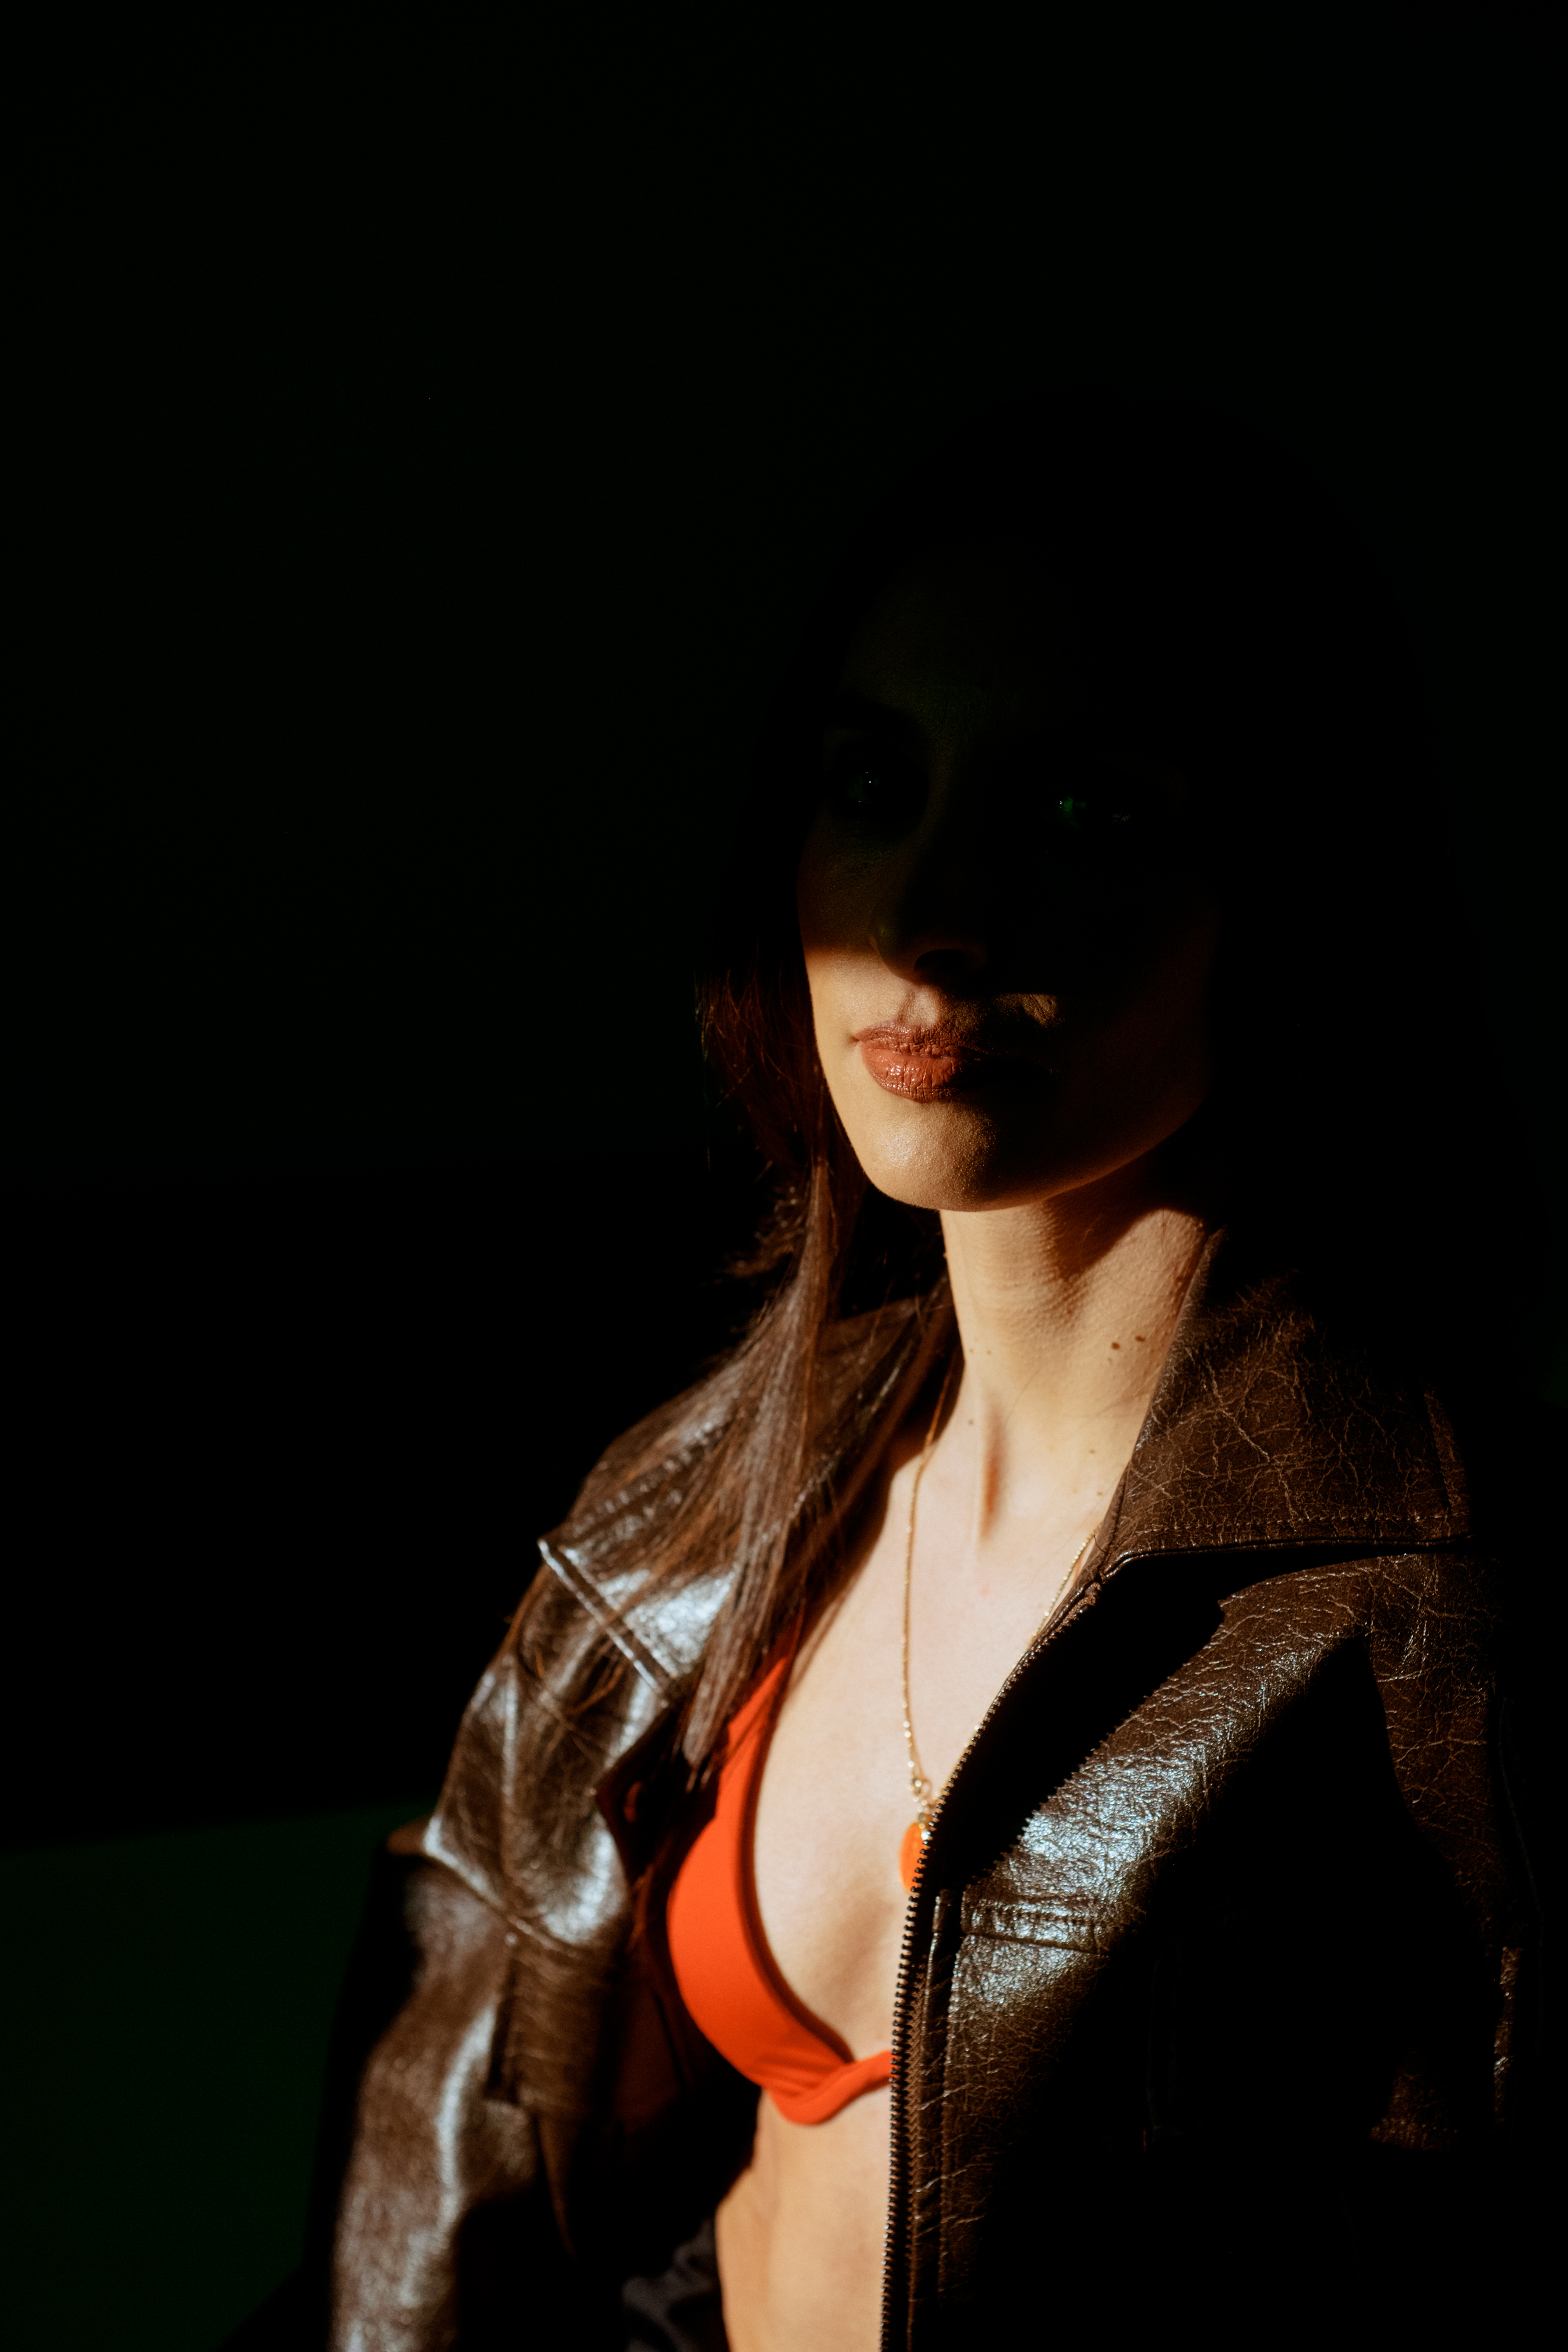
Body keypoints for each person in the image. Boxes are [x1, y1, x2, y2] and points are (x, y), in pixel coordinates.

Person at [322, 395, 1547, 2348]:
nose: (931, 916)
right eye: (876, 785)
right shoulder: (694, 1515)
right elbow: (453, 2200)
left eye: (1083, 815)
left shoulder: (1444, 1625)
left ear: (1285, 876)